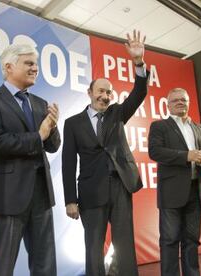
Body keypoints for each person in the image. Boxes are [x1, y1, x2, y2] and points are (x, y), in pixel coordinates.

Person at [62, 30, 147, 276]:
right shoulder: (73, 123)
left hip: (120, 187)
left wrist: (138, 61)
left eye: (109, 92)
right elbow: (68, 163)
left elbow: (139, 93)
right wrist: (70, 200)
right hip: (90, 192)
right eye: (100, 91)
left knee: (125, 247)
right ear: (90, 93)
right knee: (93, 247)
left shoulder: (117, 113)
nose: (105, 96)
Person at [0, 43, 60, 276]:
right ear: (9, 66)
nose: (35, 68)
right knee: (2, 268)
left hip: (41, 197)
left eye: (36, 64)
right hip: (5, 197)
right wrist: (39, 135)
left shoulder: (41, 103)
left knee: (45, 266)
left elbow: (53, 146)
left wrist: (52, 127)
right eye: (29, 63)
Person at [148, 87, 201, 276]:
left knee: (192, 240)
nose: (180, 102)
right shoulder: (159, 126)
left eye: (183, 99)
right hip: (171, 193)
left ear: (189, 103)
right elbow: (155, 152)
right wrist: (186, 155)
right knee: (170, 240)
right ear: (168, 104)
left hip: (196, 191)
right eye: (175, 100)